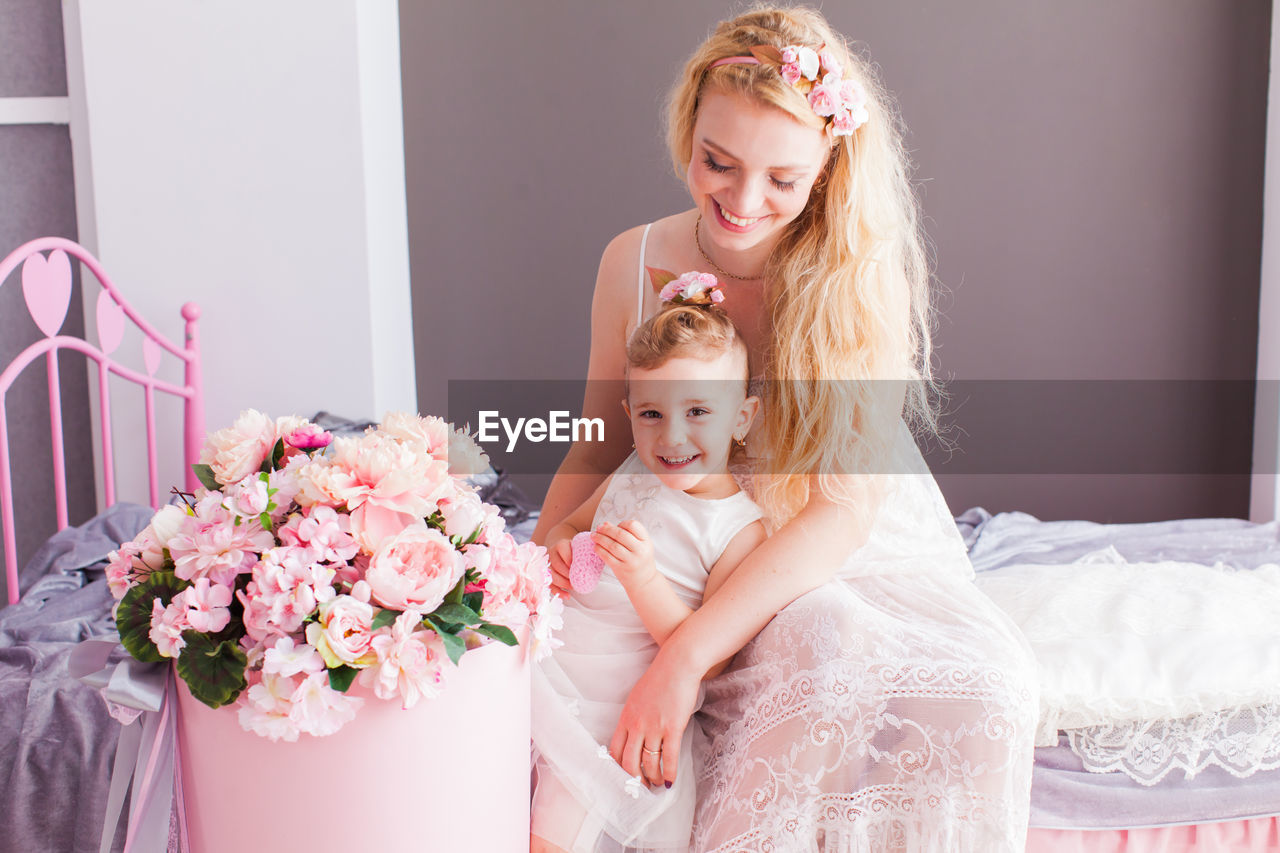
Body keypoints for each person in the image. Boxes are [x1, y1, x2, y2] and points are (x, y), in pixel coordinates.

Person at [532, 6, 1038, 851]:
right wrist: (546, 547)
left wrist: (685, 654)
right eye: (717, 163)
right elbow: (600, 434)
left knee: (960, 676)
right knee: (812, 646)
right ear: (688, 128)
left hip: (822, 522)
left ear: (825, 169)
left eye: (781, 179)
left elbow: (842, 513)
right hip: (698, 514)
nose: (742, 200)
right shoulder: (632, 259)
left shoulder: (854, 277)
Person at [531, 278, 768, 852]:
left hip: (617, 696)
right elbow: (570, 525)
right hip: (558, 657)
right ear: (630, 413)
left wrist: (643, 580)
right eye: (652, 414)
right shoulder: (634, 468)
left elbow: (707, 661)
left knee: (559, 819)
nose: (672, 435)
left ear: (742, 417)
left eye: (698, 411)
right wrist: (563, 550)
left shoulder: (739, 527)